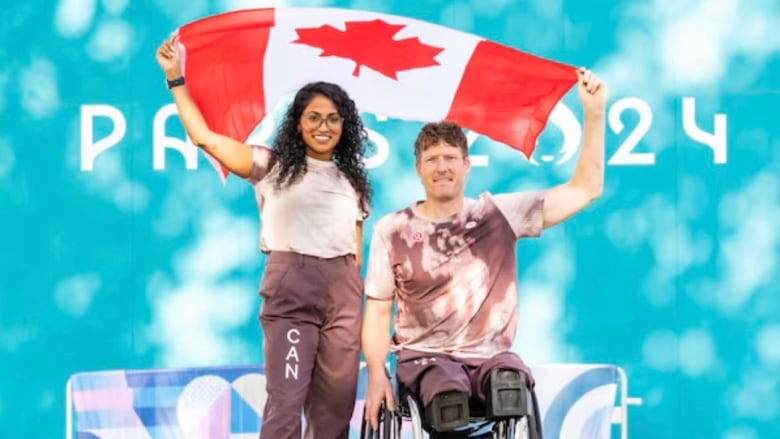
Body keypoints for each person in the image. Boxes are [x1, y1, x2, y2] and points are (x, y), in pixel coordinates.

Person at [361, 68, 606, 432]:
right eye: (432, 159)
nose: (441, 167)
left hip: (489, 358)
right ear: (418, 168)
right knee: (447, 395)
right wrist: (377, 375)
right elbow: (378, 313)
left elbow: (585, 190)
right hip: (425, 360)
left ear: (466, 165)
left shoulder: (499, 214)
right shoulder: (392, 230)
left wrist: (595, 112)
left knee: (508, 380)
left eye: (450, 158)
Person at [156, 35, 372, 439]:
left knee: (334, 414)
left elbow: (356, 256)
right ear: (297, 123)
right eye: (314, 117)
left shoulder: (353, 184)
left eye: (332, 118)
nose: (323, 126)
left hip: (343, 294)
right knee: (286, 405)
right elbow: (204, 137)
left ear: (345, 125)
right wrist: (176, 79)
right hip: (292, 290)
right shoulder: (270, 166)